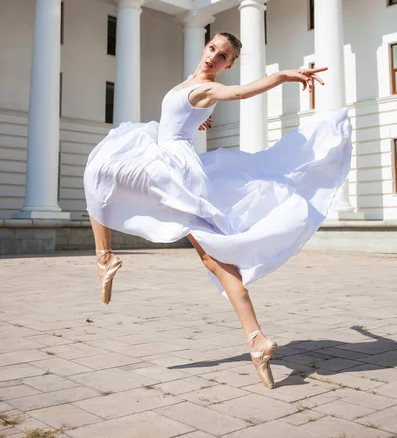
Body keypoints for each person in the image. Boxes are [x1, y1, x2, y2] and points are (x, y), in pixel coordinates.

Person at [84, 31, 352, 389]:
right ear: (205, 47)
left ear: (229, 64)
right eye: (212, 49)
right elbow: (183, 115)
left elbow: (239, 93)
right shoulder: (194, 85)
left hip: (173, 168)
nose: (214, 58)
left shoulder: (209, 87)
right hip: (176, 163)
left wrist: (283, 76)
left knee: (100, 169)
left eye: (223, 57)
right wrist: (198, 121)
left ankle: (104, 256)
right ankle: (257, 341)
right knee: (213, 259)